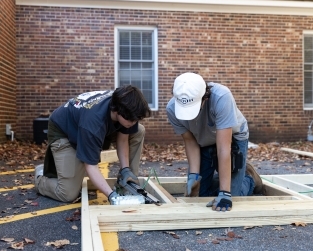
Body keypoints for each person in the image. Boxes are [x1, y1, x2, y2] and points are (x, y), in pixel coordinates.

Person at [34, 86, 151, 204]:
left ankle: (127, 182)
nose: (134, 122)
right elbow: (91, 165)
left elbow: (123, 139)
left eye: (136, 119)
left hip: (86, 124)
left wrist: (126, 169)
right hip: (64, 131)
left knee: (138, 131)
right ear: (116, 111)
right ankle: (40, 177)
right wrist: (112, 196)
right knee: (67, 193)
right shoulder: (93, 123)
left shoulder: (125, 106)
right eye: (131, 119)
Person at [166, 72, 263, 212]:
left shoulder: (221, 97)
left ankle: (249, 178)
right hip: (203, 139)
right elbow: (190, 141)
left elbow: (224, 148)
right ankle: (225, 179)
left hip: (233, 136)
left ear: (205, 97)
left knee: (231, 196)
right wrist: (194, 175)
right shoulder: (171, 109)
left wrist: (225, 193)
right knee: (199, 196)